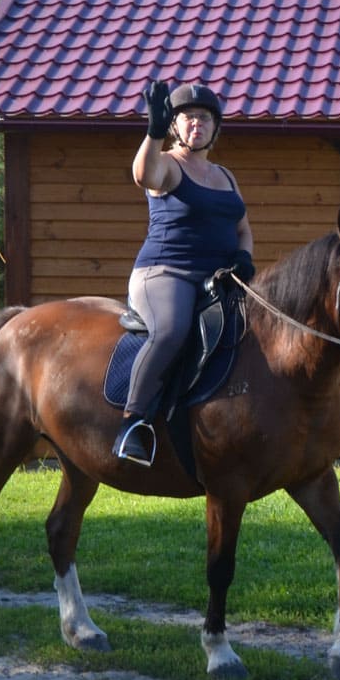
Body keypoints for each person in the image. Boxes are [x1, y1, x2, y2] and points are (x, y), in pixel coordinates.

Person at [112, 80, 255, 466]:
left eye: (204, 118)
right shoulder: (168, 165)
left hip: (218, 278)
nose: (197, 124)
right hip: (165, 272)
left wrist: (245, 258)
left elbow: (243, 228)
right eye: (188, 118)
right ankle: (133, 423)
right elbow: (144, 176)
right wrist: (153, 133)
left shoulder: (225, 176)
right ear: (174, 126)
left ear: (215, 127)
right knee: (173, 330)